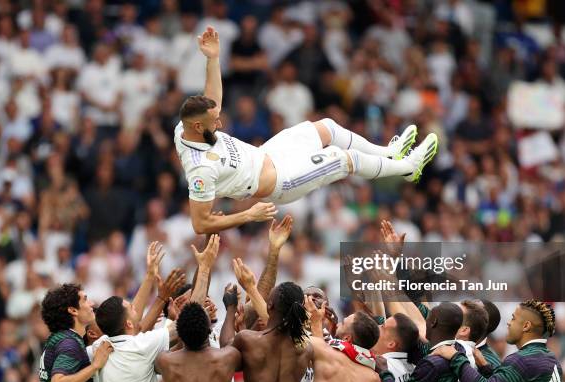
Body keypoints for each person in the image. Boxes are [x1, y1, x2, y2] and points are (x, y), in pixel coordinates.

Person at [174, 27, 438, 234]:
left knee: (325, 128)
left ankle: (390, 151)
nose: (219, 123)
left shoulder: (187, 127)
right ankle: (407, 168)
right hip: (280, 181)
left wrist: (213, 59)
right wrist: (248, 215)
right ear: (198, 127)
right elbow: (200, 223)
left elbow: (213, 103)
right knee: (340, 158)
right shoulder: (200, 170)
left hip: (268, 154)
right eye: (213, 122)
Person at [432, 300, 563, 382]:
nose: (508, 323)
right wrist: (485, 367)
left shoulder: (522, 360)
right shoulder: (552, 359)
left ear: (526, 326)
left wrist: (456, 357)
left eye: (513, 318)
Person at [156, 285, 242, 382]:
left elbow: (166, 340)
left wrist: (174, 319)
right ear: (208, 329)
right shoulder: (228, 357)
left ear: (180, 331)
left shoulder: (165, 362)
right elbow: (229, 342)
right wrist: (231, 309)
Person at [227, 281, 311, 382]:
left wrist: (230, 309)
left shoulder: (247, 340)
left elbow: (225, 352)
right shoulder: (306, 349)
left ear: (270, 305)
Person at [377, 302, 466, 382]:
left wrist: (384, 372)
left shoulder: (432, 364)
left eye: (427, 318)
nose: (423, 322)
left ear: (433, 322)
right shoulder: (460, 349)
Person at [39, 283, 113, 382]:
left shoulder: (57, 338)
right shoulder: (70, 344)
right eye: (85, 299)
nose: (92, 303)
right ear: (73, 310)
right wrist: (95, 366)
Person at [305, 299, 381, 382]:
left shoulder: (329, 358)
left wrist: (315, 321)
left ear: (347, 338)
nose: (339, 323)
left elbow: (313, 346)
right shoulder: (374, 380)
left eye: (343, 322)